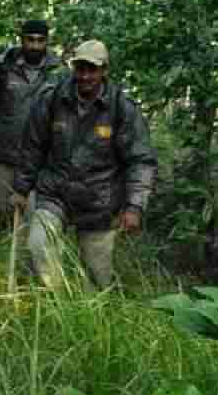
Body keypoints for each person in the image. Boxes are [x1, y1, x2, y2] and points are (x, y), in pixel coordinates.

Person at [12, 40, 156, 290]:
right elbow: (32, 147)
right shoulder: (53, 98)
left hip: (99, 201)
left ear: (104, 70)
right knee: (38, 246)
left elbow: (140, 160)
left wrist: (134, 206)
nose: (85, 76)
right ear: (73, 69)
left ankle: (93, 318)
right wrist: (21, 189)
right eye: (80, 68)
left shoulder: (121, 108)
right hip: (54, 193)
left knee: (97, 279)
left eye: (92, 69)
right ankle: (52, 302)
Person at [0, 19, 63, 231]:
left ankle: (27, 262)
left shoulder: (58, 73)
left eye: (40, 41)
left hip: (41, 160)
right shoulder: (5, 67)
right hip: (6, 155)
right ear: (22, 40)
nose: (34, 45)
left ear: (47, 42)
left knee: (34, 222)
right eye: (30, 40)